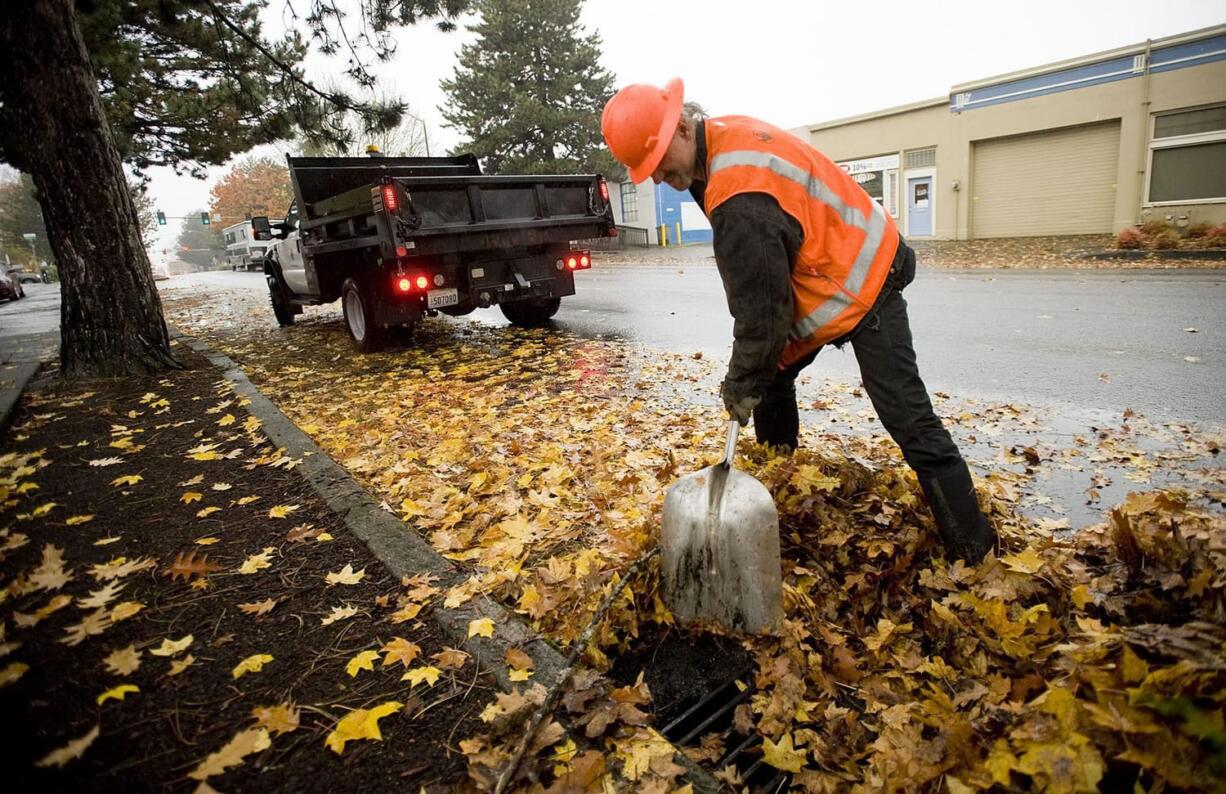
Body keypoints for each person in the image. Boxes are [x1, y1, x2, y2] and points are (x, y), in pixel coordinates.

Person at [601, 78, 997, 563]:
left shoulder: (738, 195)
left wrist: (740, 383)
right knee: (771, 379)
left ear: (682, 128)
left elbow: (760, 317)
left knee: (909, 420)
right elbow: (767, 298)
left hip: (863, 283)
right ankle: (782, 480)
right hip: (823, 274)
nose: (659, 178)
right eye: (649, 171)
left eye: (659, 163)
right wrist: (757, 377)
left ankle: (975, 549)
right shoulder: (723, 138)